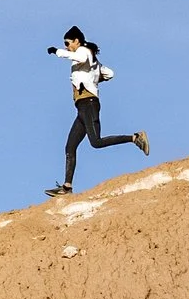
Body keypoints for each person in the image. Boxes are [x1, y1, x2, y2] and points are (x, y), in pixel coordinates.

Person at [45, 26, 148, 195]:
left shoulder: (83, 51)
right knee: (70, 147)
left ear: (77, 41)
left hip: (88, 103)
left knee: (96, 142)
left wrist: (56, 52)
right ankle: (67, 187)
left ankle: (135, 138)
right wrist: (94, 77)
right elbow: (109, 74)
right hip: (82, 106)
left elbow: (76, 56)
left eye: (67, 43)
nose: (66, 46)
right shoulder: (90, 59)